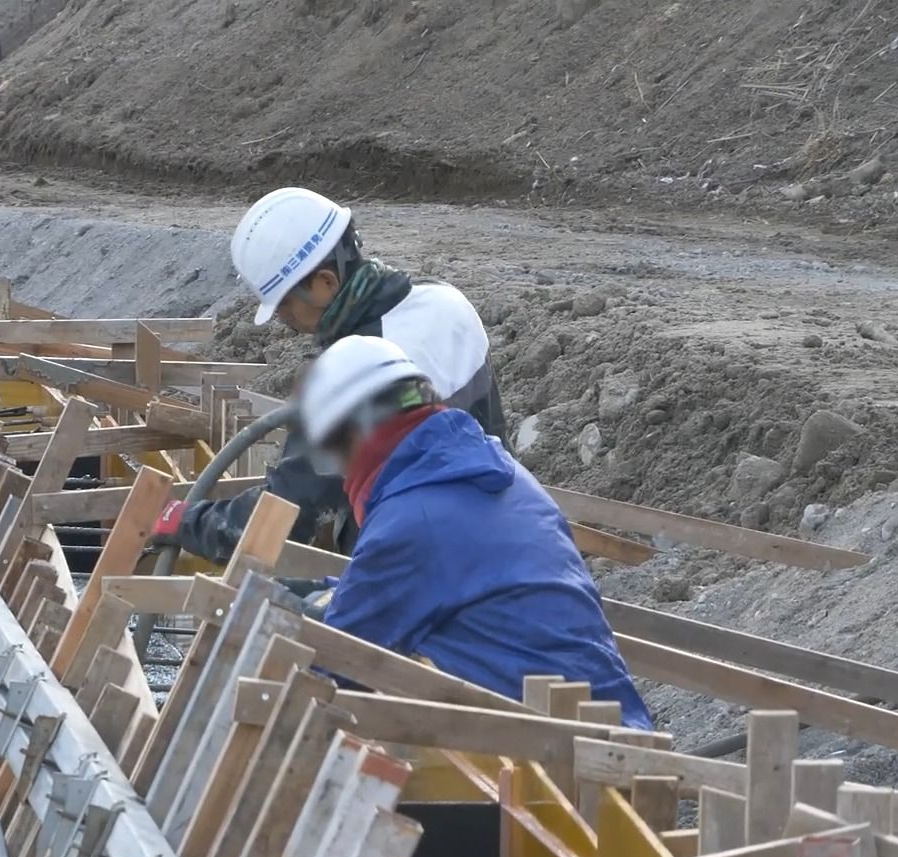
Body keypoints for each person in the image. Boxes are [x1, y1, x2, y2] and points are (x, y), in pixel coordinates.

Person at [299, 335, 652, 729]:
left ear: (359, 433)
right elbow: (431, 582)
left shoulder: (410, 523)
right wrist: (316, 593)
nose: (343, 473)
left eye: (336, 451)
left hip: (552, 764)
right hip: (617, 733)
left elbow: (330, 666)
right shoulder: (498, 472)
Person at [154, 186, 507, 562]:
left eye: (285, 303)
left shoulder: (359, 373)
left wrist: (184, 521)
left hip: (416, 577)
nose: (281, 318)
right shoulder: (446, 300)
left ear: (325, 282)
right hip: (504, 535)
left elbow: (282, 519)